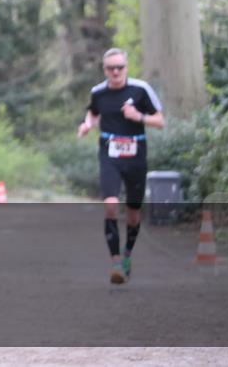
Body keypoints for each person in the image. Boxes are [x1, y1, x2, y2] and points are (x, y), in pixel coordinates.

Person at [77, 48, 164, 284]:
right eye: (111, 68)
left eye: (120, 67)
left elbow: (160, 121)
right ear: (104, 70)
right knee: (111, 205)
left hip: (136, 157)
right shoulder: (98, 92)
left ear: (126, 67)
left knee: (133, 214)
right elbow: (93, 113)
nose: (115, 72)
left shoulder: (141, 89)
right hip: (110, 156)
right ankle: (115, 262)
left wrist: (139, 117)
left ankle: (127, 255)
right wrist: (87, 125)